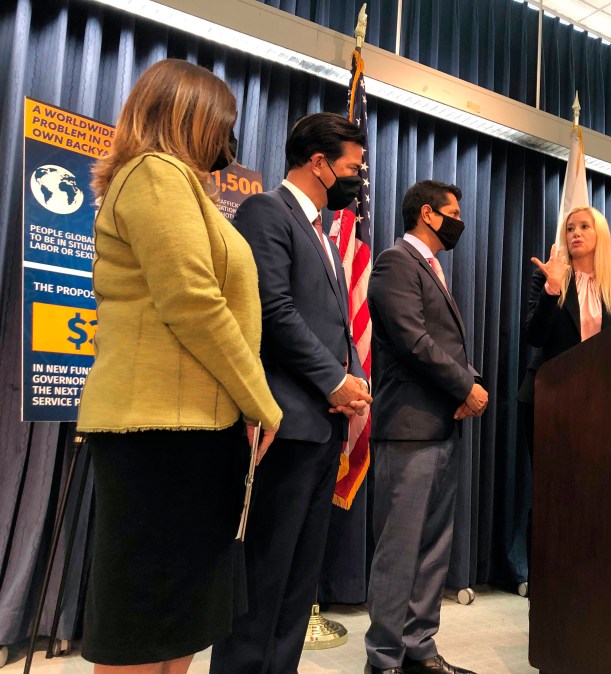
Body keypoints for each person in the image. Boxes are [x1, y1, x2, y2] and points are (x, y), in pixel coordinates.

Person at [77, 58, 282, 673]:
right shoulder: (154, 173)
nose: (228, 140)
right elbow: (192, 301)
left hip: (193, 429)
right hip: (160, 432)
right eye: (224, 124)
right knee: (146, 622)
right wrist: (262, 404)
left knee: (185, 615)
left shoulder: (181, 186)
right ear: (192, 117)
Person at [210, 112, 372, 673]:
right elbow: (272, 311)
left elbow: (327, 322)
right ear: (319, 163)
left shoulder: (323, 233)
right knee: (264, 573)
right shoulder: (265, 211)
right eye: (353, 166)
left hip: (321, 428)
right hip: (282, 423)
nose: (360, 176)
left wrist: (348, 381)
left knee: (299, 580)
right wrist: (334, 378)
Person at [365, 180, 487, 674]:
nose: (459, 220)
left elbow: (445, 346)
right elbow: (413, 340)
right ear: (428, 215)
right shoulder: (397, 262)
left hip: (440, 427)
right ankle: (385, 658)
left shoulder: (432, 268)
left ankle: (419, 648)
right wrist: (465, 387)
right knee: (400, 548)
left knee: (434, 546)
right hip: (408, 429)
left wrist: (465, 386)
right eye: (453, 211)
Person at [517, 206, 611, 582]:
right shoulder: (550, 280)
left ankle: (592, 585)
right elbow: (534, 336)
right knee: (553, 495)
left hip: (601, 408)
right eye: (570, 228)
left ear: (600, 235)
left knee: (597, 494)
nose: (575, 234)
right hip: (549, 401)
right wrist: (552, 288)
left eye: (584, 227)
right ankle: (546, 592)